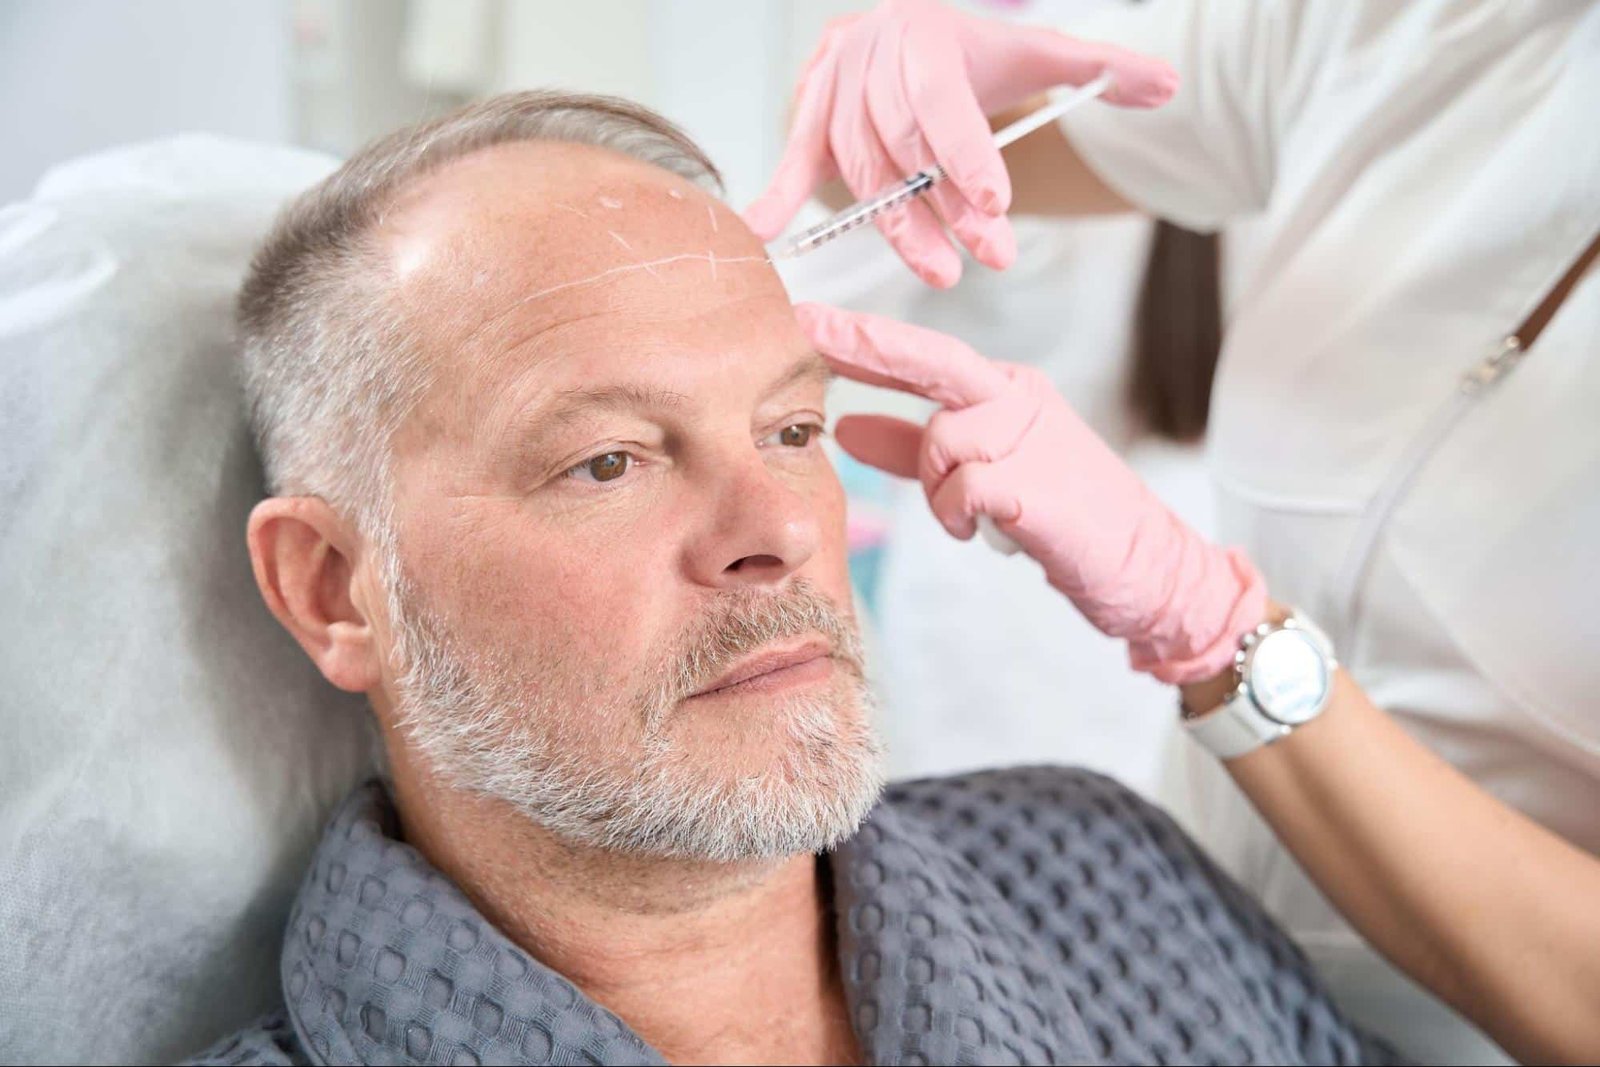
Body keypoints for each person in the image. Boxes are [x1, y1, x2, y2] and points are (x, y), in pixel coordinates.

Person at [188, 90, 1408, 1067]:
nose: (779, 527)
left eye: (790, 430)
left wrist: (1222, 633)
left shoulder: (1106, 877)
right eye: (607, 460)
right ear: (333, 588)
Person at [742, 1, 1600, 1063]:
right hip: (1183, 953)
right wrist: (884, 94)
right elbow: (883, 174)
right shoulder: (1402, 28)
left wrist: (1223, 637)